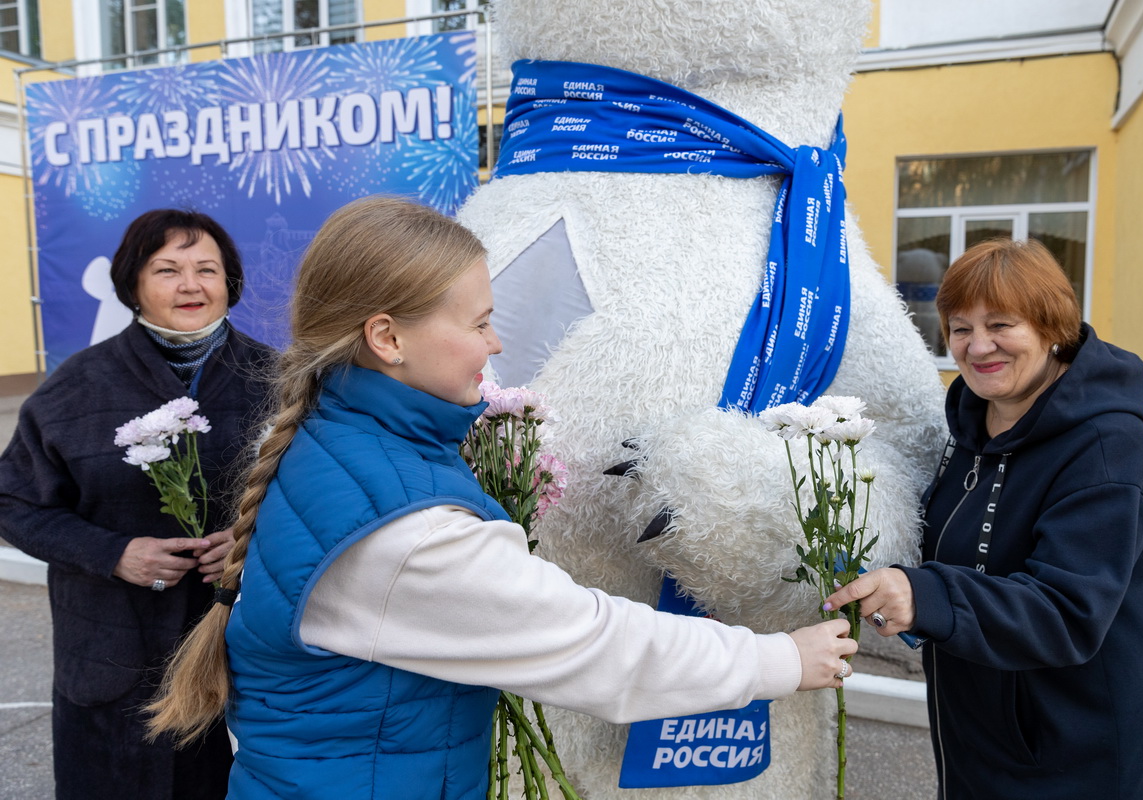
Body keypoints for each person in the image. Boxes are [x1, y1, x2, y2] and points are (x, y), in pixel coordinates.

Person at [144, 195, 858, 799]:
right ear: (387, 337)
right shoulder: (401, 531)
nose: (494, 342)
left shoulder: (344, 443)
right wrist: (781, 661)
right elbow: (596, 646)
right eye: (479, 321)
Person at [823, 237, 1143, 798]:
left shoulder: (1108, 448)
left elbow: (1067, 614)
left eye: (1001, 325)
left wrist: (926, 596)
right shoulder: (973, 426)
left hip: (1075, 755)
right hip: (980, 738)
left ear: (1051, 327)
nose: (977, 345)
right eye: (960, 328)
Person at [0, 209, 274, 799]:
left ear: (230, 282)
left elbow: (323, 496)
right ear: (132, 285)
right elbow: (13, 501)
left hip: (245, 645)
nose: (191, 285)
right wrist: (115, 553)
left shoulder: (278, 380)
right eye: (167, 269)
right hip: (111, 652)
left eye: (208, 269)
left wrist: (256, 541)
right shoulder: (76, 388)